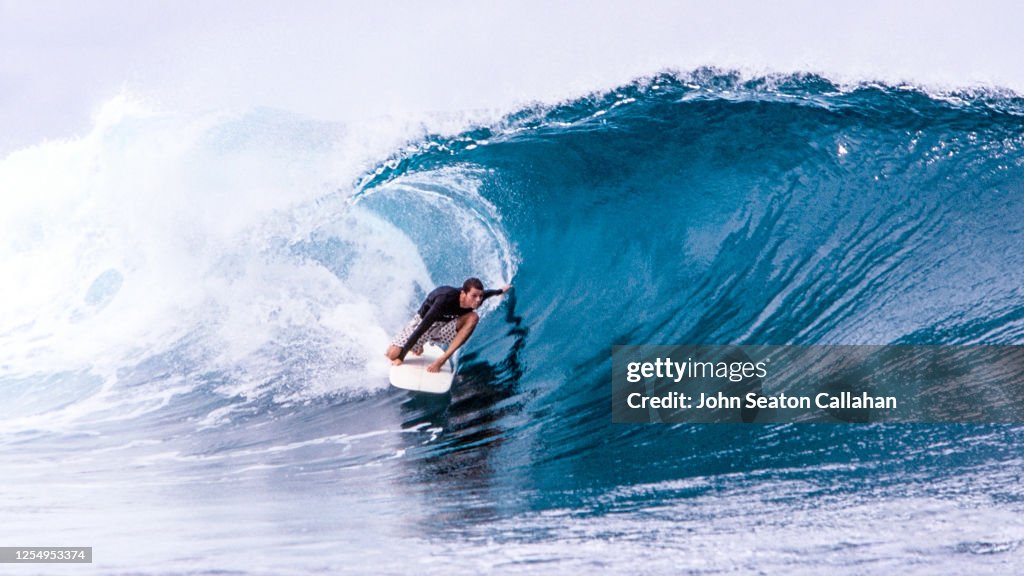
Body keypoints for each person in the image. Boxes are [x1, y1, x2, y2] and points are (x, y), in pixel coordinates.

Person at [386, 278, 511, 373]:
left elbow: (489, 293)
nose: (478, 300)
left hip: (444, 327)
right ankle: (417, 345)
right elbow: (421, 328)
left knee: (473, 317)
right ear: (463, 293)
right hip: (423, 323)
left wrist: (500, 291)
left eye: (480, 296)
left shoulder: (477, 299)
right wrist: (401, 357)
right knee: (392, 354)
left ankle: (442, 358)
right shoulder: (444, 299)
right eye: (474, 296)